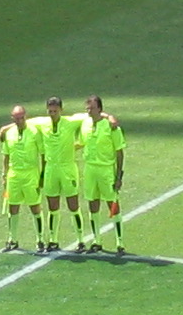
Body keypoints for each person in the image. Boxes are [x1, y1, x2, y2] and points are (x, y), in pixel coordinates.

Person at [31, 96, 86, 251]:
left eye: (55, 111)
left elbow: (91, 115)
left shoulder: (71, 122)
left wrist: (109, 117)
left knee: (73, 205)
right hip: (50, 169)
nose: (52, 113)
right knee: (52, 206)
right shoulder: (42, 123)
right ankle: (53, 240)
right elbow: (22, 121)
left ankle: (81, 240)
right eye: (50, 111)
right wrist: (6, 128)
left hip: (67, 168)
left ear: (61, 110)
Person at [79, 95, 125, 254]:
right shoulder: (85, 124)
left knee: (112, 204)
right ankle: (96, 240)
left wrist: (119, 176)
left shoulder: (112, 127)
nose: (89, 111)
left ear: (99, 108)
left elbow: (119, 152)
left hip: (106, 170)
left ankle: (120, 242)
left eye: (91, 108)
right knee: (92, 203)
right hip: (90, 169)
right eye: (87, 108)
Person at [0, 104, 45, 252]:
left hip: (31, 174)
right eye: (16, 118)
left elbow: (43, 155)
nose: (19, 120)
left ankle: (40, 240)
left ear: (26, 117)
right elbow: (6, 155)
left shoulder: (35, 132)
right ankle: (13, 239)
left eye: (21, 117)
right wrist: (4, 174)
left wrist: (42, 175)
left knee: (35, 206)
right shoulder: (9, 134)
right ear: (12, 118)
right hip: (14, 174)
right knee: (13, 206)